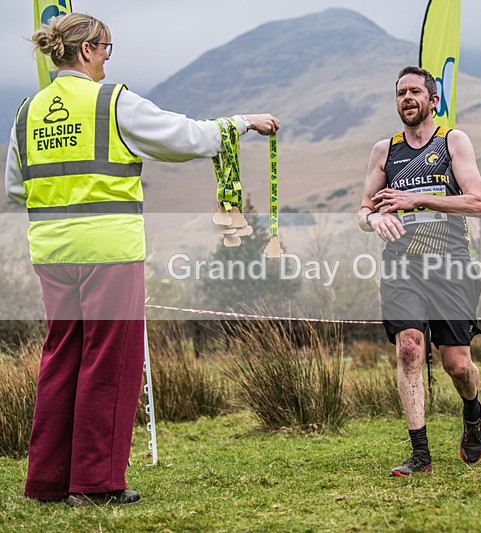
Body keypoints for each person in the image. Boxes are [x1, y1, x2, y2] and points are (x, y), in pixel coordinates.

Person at [5, 13, 279, 506]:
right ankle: (95, 484)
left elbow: (12, 187)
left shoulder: (27, 110)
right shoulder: (113, 102)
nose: (110, 57)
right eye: (107, 47)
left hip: (49, 252)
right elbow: (186, 138)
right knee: (110, 362)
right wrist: (241, 123)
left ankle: (46, 481)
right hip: (109, 250)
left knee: (61, 357)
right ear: (86, 49)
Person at [357, 66, 481, 476]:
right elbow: (363, 209)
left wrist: (420, 200)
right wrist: (373, 221)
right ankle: (421, 454)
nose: (406, 98)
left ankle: (472, 411)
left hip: (450, 264)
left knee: (458, 366)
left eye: (415, 91)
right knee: (409, 348)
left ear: (433, 100)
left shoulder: (453, 141)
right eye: (400, 93)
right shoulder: (385, 150)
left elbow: (477, 201)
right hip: (402, 265)